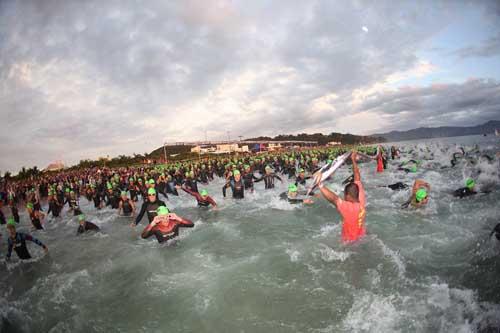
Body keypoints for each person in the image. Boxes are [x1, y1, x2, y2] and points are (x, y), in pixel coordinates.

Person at [316, 151, 366, 242]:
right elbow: (357, 177)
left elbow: (334, 199)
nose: (343, 197)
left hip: (350, 243)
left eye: (344, 195)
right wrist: (353, 160)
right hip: (362, 236)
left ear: (348, 196)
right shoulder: (361, 198)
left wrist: (319, 185)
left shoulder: (349, 208)